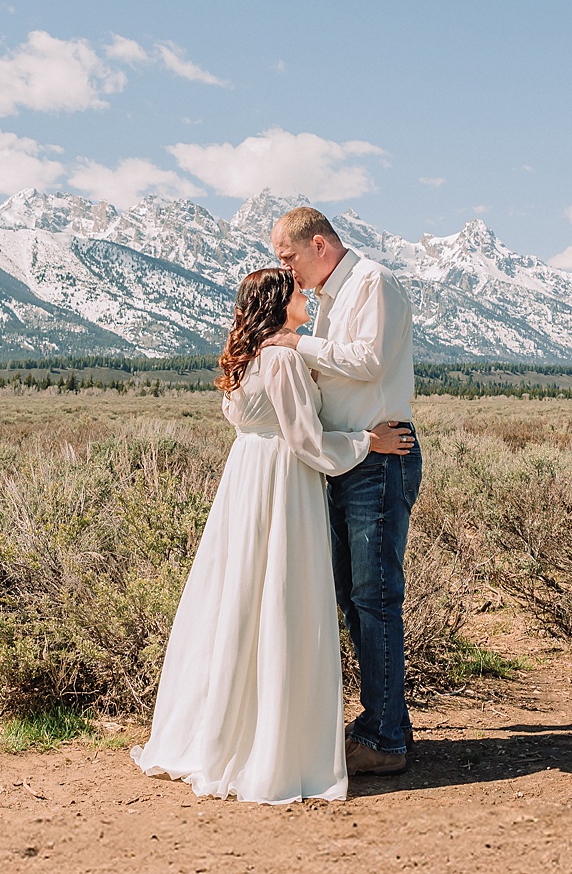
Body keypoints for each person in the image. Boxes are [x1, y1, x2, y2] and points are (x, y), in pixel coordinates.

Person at [133, 268, 413, 804]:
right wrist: (367, 441)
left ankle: (231, 727)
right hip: (283, 481)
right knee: (281, 597)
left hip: (245, 481)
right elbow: (305, 439)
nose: (305, 297)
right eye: (297, 293)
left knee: (239, 596)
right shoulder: (282, 358)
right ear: (278, 303)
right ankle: (276, 741)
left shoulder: (247, 356)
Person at [263, 206, 419, 777]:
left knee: (374, 601)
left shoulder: (371, 283)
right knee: (355, 601)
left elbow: (368, 361)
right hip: (351, 457)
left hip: (379, 462)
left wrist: (291, 346)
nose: (286, 270)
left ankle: (386, 739)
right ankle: (381, 725)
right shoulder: (331, 296)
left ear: (320, 245)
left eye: (289, 257)